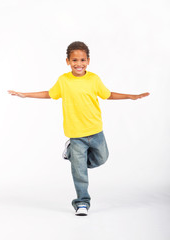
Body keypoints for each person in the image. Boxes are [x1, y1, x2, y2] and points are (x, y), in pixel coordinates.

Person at [8, 41, 150, 216]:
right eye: (74, 60)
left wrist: (130, 96)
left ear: (88, 61)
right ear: (68, 61)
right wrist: (25, 94)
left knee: (102, 158)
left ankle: (72, 157)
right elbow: (49, 94)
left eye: (82, 60)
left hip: (96, 131)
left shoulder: (94, 79)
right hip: (76, 135)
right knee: (80, 172)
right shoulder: (64, 80)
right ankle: (82, 202)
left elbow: (108, 95)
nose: (79, 64)